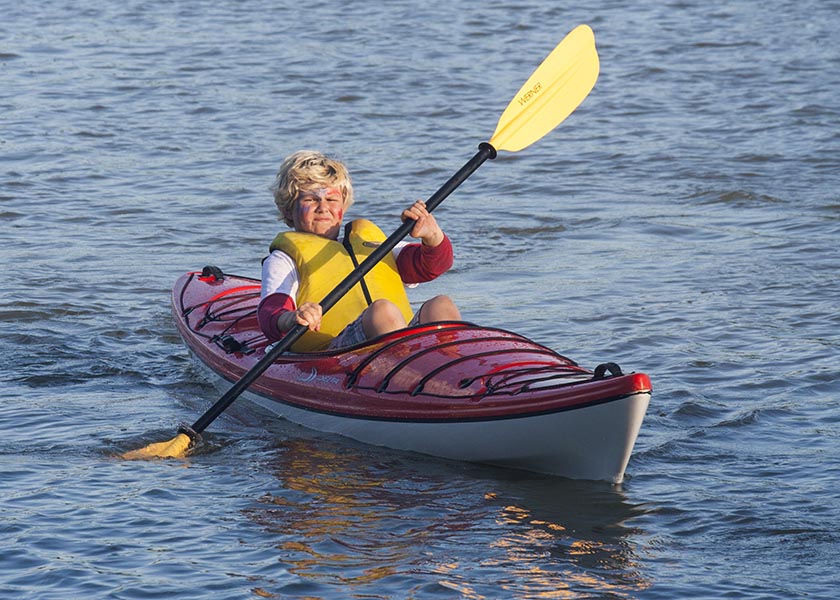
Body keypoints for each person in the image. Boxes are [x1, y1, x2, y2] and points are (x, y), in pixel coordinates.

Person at [258, 150, 460, 352]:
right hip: (334, 352)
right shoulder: (284, 259)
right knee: (382, 311)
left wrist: (432, 236)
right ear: (288, 209)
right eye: (310, 200)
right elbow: (270, 313)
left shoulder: (370, 243)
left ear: (343, 205)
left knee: (441, 305)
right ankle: (405, 368)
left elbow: (431, 266)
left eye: (331, 200)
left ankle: (454, 365)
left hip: (399, 342)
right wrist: (292, 318)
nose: (323, 208)